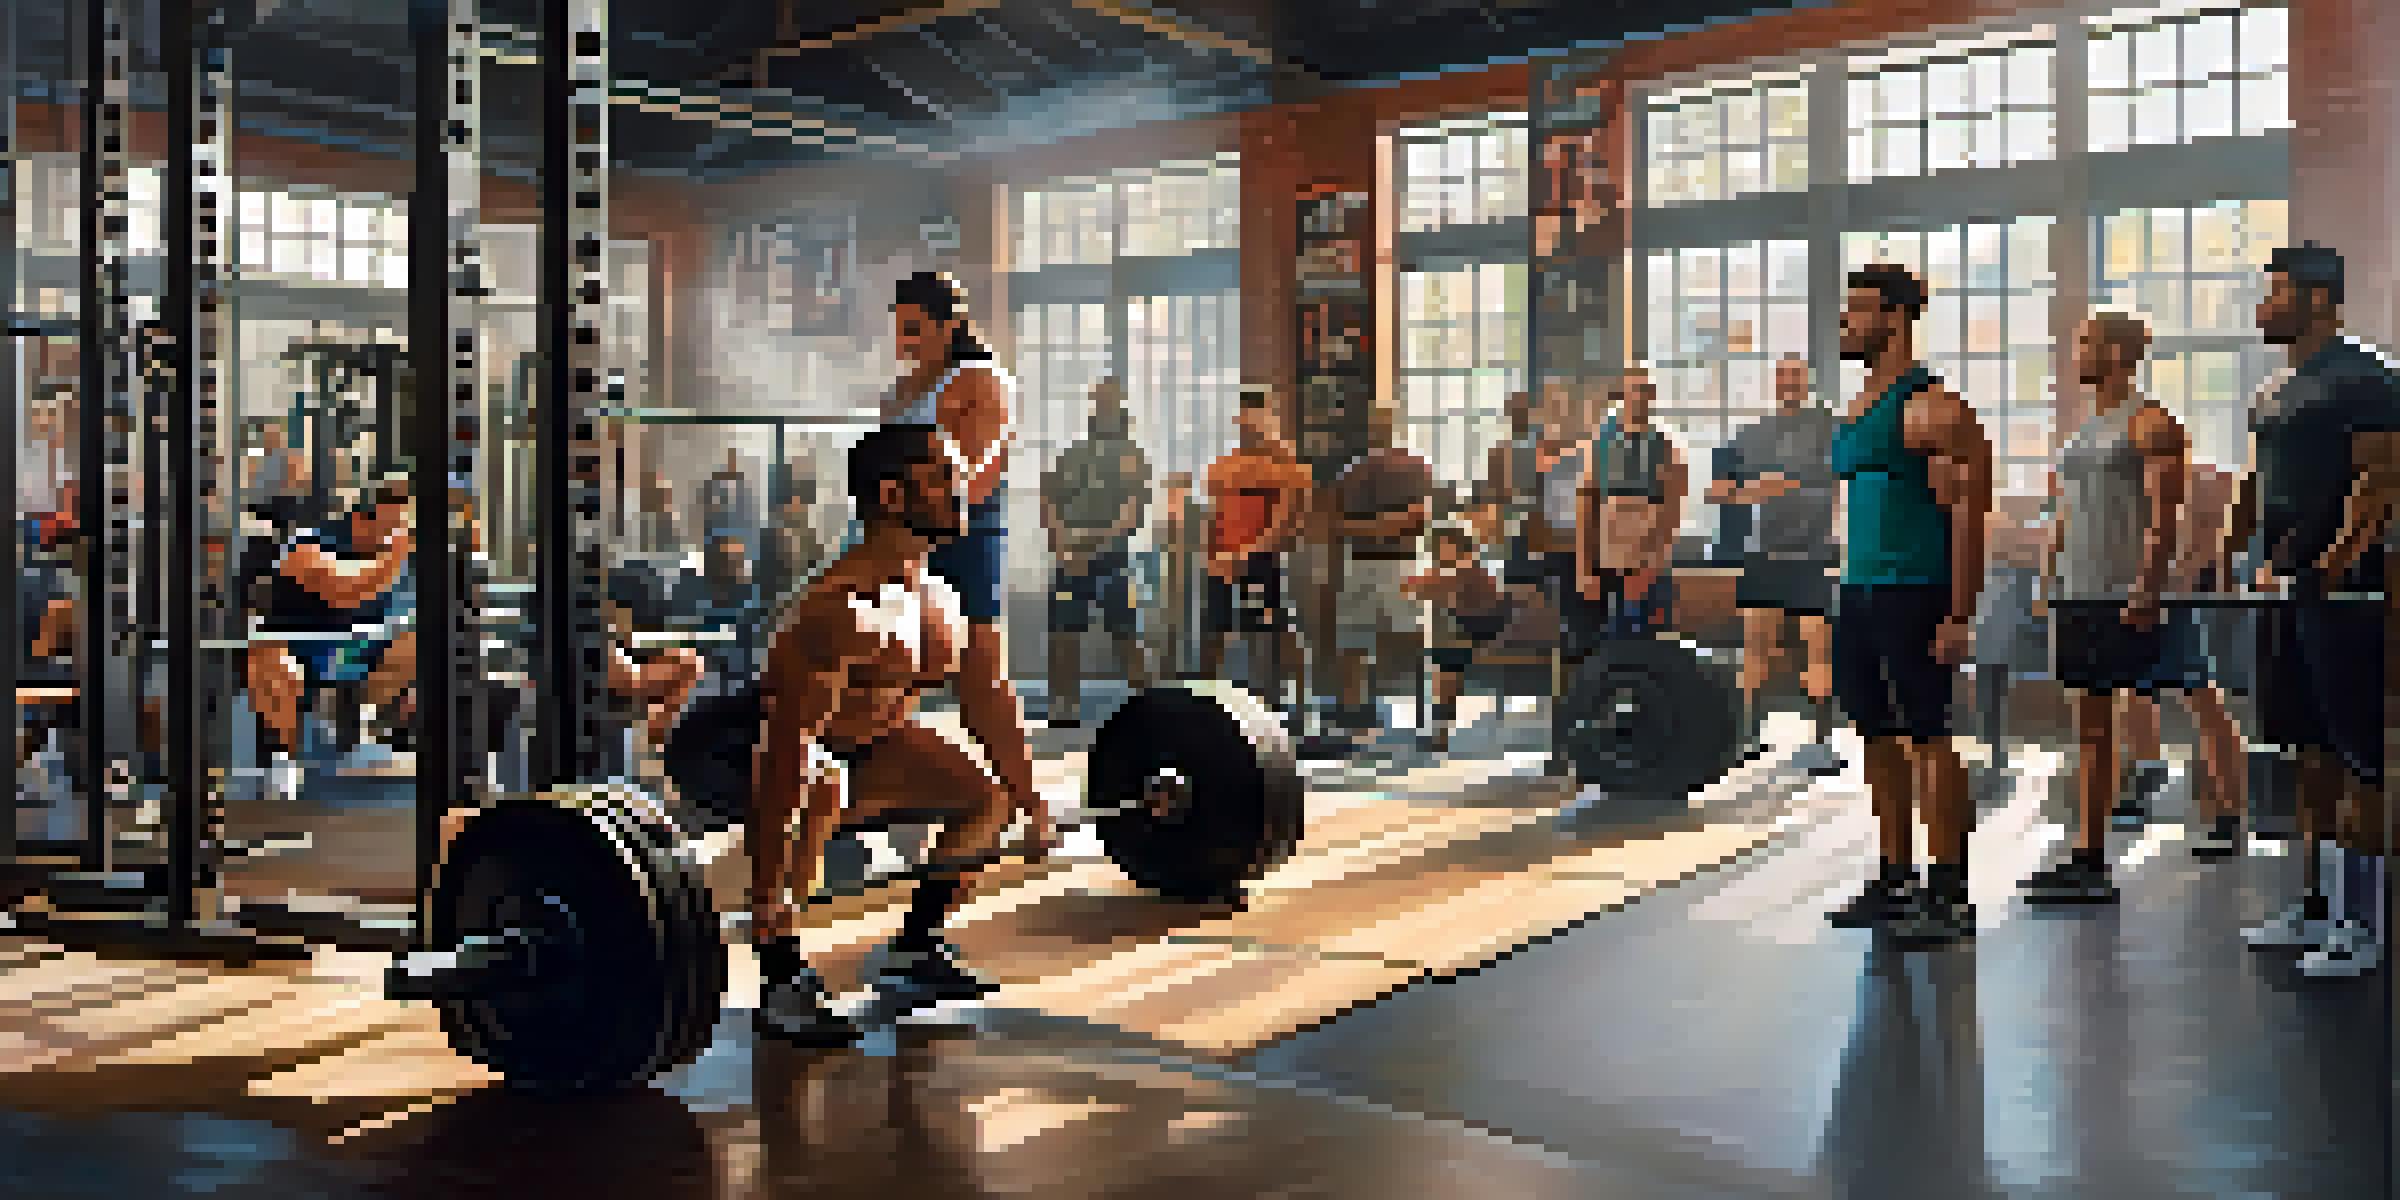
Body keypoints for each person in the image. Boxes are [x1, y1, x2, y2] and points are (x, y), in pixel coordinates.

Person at [748, 424, 1035, 1045]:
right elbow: (785, 749)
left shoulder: (938, 600)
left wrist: (1032, 802)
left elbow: (985, 704)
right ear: (891, 494)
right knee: (819, 777)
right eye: (943, 478)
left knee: (988, 797)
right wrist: (766, 899)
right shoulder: (838, 605)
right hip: (757, 753)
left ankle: (916, 946)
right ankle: (780, 979)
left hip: (862, 750)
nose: (964, 489)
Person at [2228, 242, 2397, 977]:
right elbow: (2258, 481)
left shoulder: (2366, 377)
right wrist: (2231, 550)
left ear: (2319, 299)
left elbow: (2383, 477)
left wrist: (2332, 565)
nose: (2263, 307)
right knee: (2308, 749)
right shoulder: (2275, 390)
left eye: (2276, 294)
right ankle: (2317, 905)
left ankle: (2362, 924)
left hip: (2348, 592)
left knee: (2358, 754)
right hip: (2288, 589)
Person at [1824, 263, 1993, 948]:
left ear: (1894, 318)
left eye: (1856, 312)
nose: (1844, 323)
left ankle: (1948, 890)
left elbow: (1970, 514)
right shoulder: (1859, 406)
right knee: (1875, 736)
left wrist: (1960, 614)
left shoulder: (1932, 408)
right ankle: (1896, 877)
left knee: (1929, 738)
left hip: (1916, 593)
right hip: (1858, 591)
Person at [2017, 312, 2197, 905]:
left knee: (2108, 726)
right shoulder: (2086, 429)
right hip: (2075, 591)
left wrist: (2147, 588)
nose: (2078, 356)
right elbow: (2066, 513)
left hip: (2116, 594)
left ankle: (2094, 860)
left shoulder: (2149, 423)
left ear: (2118, 354)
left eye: (2087, 345)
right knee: (2087, 730)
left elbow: (2162, 517)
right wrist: (2048, 578)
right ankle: (2087, 857)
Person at [880, 271, 1038, 831]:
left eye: (916, 329)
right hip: (898, 540)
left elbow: (974, 476)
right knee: (890, 681)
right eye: (899, 330)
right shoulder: (901, 390)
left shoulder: (980, 381)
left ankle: (1027, 806)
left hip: (962, 538)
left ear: (950, 326)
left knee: (978, 687)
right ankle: (899, 806)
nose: (904, 342)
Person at [241, 476, 419, 805]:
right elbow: (346, 591)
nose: (398, 535)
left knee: (420, 639)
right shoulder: (307, 547)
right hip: (297, 653)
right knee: (270, 661)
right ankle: (286, 760)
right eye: (391, 526)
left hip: (353, 655)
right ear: (360, 519)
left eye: (403, 526)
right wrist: (397, 552)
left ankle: (364, 736)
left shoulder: (396, 561)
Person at [1707, 353, 1840, 745]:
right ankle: (1749, 737)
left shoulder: (1828, 429)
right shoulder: (1753, 434)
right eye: (1783, 377)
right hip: (1762, 555)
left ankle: (1822, 741)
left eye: (1796, 377)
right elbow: (1716, 490)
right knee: (1756, 650)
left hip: (1812, 555)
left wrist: (1788, 488)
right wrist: (1749, 491)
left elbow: (1839, 487)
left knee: (1818, 650)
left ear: (1808, 383)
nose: (1789, 384)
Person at [1039, 379, 1153, 727]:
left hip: (1112, 561)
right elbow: (1049, 499)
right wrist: (1061, 546)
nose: (1100, 408)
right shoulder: (1072, 454)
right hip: (1068, 560)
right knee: (1062, 634)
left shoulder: (1132, 457)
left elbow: (1131, 514)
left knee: (1127, 636)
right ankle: (1062, 709)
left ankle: (1148, 708)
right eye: (1096, 401)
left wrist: (1090, 543)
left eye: (1107, 402)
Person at [1201, 386, 1312, 710]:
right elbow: (1217, 516)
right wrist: (1215, 558)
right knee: (1216, 630)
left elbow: (1284, 522)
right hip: (1224, 560)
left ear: (1269, 416)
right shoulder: (1226, 464)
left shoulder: (1287, 463)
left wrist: (1247, 554)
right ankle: (1210, 701)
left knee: (1268, 631)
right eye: (1244, 415)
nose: (1249, 422)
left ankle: (1281, 702)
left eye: (1257, 414)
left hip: (1264, 560)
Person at [1325, 441, 1436, 740]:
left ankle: (1426, 712)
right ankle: (1355, 716)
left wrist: (1364, 526)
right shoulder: (1352, 472)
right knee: (1352, 642)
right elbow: (1334, 524)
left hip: (1400, 565)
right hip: (1361, 565)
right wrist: (1384, 525)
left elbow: (1416, 520)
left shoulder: (1414, 468)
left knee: (1412, 638)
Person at [1578, 367, 1684, 642]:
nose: (1638, 398)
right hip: (1607, 557)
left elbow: (1671, 510)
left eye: (1643, 391)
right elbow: (1587, 505)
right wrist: (1585, 566)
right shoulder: (1600, 445)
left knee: (1645, 638)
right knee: (1607, 639)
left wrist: (1654, 561)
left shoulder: (1665, 447)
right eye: (1632, 390)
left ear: (1651, 397)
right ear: (1621, 395)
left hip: (1647, 558)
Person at [1407, 524, 1515, 752]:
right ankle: (1439, 727)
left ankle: (1440, 729)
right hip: (1459, 634)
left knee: (1446, 654)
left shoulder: (1468, 568)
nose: (1444, 551)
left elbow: (1419, 587)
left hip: (1481, 632)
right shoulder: (1449, 571)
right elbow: (1414, 588)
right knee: (1444, 643)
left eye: (1449, 546)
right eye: (1441, 547)